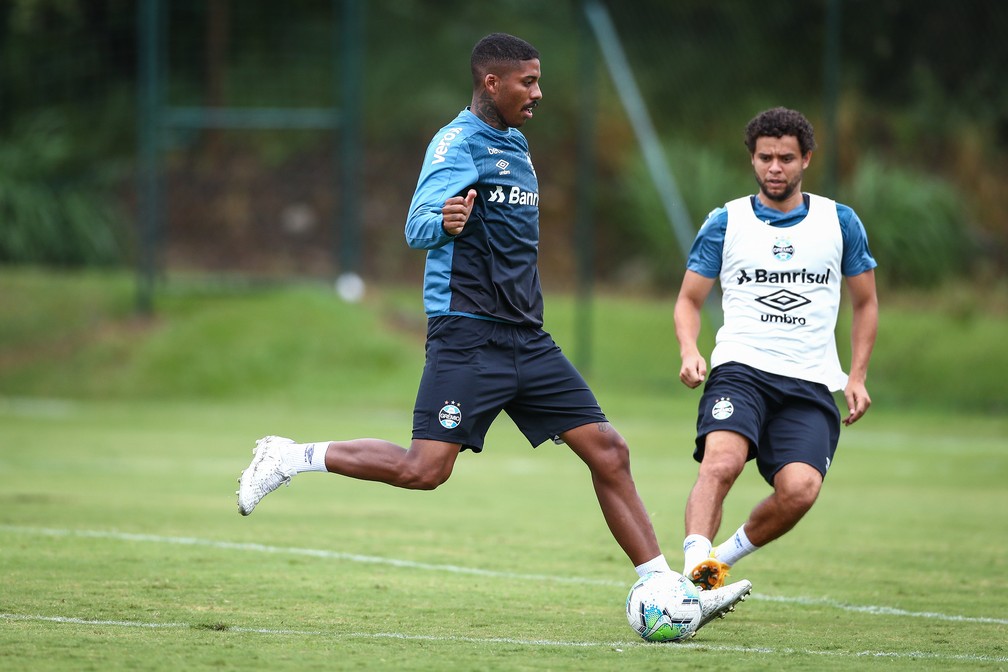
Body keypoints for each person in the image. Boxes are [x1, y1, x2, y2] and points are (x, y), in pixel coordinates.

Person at [237, 32, 750, 627]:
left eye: (538, 80)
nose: (538, 92)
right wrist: (445, 220)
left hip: (526, 338)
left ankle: (665, 588)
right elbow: (416, 225)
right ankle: (289, 456)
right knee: (424, 470)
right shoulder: (456, 143)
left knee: (609, 450)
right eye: (527, 82)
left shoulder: (517, 144)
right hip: (468, 334)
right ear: (491, 82)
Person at [674, 107, 879, 590]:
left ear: (806, 159)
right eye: (765, 157)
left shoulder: (840, 222)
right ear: (752, 159)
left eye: (786, 158)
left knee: (800, 490)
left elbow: (866, 302)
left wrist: (857, 375)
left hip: (810, 380)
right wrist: (689, 349)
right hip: (741, 369)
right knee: (721, 463)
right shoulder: (726, 222)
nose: (774, 167)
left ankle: (716, 567)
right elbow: (688, 300)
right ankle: (689, 577)